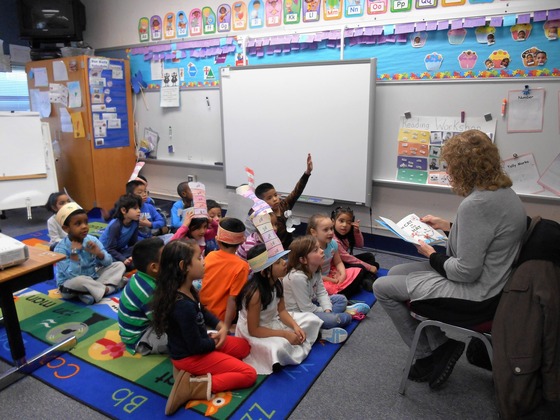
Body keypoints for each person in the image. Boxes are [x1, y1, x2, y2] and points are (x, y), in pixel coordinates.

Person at [372, 130, 527, 390]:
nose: (449, 173)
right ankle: (442, 345)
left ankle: (429, 354)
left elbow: (465, 272)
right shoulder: (503, 192)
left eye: (451, 167)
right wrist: (448, 227)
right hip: (497, 283)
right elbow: (486, 237)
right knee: (396, 270)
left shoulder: (476, 204)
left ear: (466, 168)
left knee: (382, 288)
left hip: (478, 294)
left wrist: (432, 256)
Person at [151, 240, 257, 416]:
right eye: (199, 258)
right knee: (248, 374)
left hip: (200, 342)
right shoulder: (182, 306)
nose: (204, 261)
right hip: (191, 355)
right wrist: (214, 340)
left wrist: (220, 325)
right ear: (183, 266)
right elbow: (196, 347)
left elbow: (203, 310)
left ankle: (188, 373)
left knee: (244, 347)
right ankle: (192, 387)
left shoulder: (187, 289)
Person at [235, 244, 322, 374]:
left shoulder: (277, 282)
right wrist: (285, 334)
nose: (284, 263)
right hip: (257, 330)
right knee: (279, 347)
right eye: (277, 262)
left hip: (273, 320)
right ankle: (279, 357)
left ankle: (305, 338)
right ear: (265, 272)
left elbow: (281, 311)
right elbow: (253, 330)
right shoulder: (255, 294)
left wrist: (295, 326)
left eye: (282, 259)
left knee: (312, 319)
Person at [283, 235, 354, 344]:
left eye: (319, 248)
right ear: (303, 259)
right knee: (341, 319)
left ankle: (326, 322)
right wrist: (327, 313)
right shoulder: (297, 277)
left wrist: (327, 310)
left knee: (341, 299)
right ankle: (329, 326)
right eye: (316, 250)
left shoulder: (315, 268)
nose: (322, 251)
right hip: (300, 314)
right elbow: (306, 309)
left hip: (313, 304)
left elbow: (321, 292)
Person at [54, 203, 126, 305]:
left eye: (86, 222)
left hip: (94, 278)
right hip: (71, 285)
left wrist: (99, 254)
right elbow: (73, 275)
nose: (84, 227)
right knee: (79, 281)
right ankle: (109, 289)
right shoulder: (60, 248)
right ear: (66, 228)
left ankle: (89, 293)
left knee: (119, 265)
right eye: (78, 224)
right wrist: (74, 253)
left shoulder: (91, 240)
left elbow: (109, 262)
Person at [199, 217, 250, 331]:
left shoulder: (211, 255)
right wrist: (226, 327)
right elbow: (233, 299)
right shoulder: (242, 266)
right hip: (220, 319)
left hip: (201, 313)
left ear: (217, 240)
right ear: (242, 241)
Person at [118, 237, 166, 355]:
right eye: (167, 259)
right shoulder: (149, 291)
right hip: (141, 338)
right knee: (183, 339)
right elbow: (163, 322)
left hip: (147, 324)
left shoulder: (141, 275)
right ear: (154, 267)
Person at [307, 214, 371, 300]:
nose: (330, 232)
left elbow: (338, 262)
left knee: (359, 270)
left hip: (331, 274)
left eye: (331, 229)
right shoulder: (309, 249)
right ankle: (340, 295)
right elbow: (312, 274)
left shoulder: (333, 243)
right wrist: (332, 280)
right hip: (317, 280)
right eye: (325, 230)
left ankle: (341, 294)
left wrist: (342, 274)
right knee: (325, 288)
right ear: (314, 232)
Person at [255, 153, 313, 249]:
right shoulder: (264, 218)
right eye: (269, 198)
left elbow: (296, 192)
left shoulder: (284, 205)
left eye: (275, 195)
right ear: (262, 202)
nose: (275, 199)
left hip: (290, 245)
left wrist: (307, 173)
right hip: (276, 250)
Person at [331, 206, 379, 291]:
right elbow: (348, 258)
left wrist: (356, 232)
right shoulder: (333, 240)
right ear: (333, 221)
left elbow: (360, 245)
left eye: (348, 222)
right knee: (364, 266)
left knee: (369, 256)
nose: (344, 225)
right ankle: (365, 277)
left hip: (344, 262)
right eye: (341, 221)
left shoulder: (346, 234)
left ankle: (365, 276)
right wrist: (369, 267)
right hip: (338, 266)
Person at [99, 194, 141, 270]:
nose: (139, 211)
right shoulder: (116, 226)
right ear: (124, 210)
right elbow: (110, 249)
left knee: (143, 249)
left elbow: (133, 243)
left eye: (139, 208)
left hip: (119, 251)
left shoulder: (135, 222)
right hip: (107, 254)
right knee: (129, 265)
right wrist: (123, 259)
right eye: (135, 208)